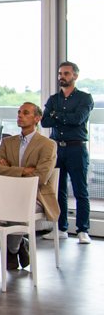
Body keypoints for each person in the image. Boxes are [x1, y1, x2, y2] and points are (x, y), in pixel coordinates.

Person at [0, 102, 58, 264]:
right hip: (9, 193)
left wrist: (10, 169)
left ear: (37, 118)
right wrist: (23, 171)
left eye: (25, 113)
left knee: (17, 208)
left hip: (37, 196)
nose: (20, 115)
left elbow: (41, 177)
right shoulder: (8, 142)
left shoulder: (47, 144)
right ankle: (19, 244)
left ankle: (12, 250)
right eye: (19, 112)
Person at [42, 61, 93, 242]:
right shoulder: (53, 99)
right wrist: (61, 117)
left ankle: (82, 230)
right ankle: (61, 228)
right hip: (57, 149)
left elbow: (78, 119)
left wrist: (55, 115)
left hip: (76, 148)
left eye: (66, 73)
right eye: (60, 74)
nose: (61, 77)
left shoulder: (85, 98)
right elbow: (44, 122)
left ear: (75, 76)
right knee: (59, 189)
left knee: (80, 190)